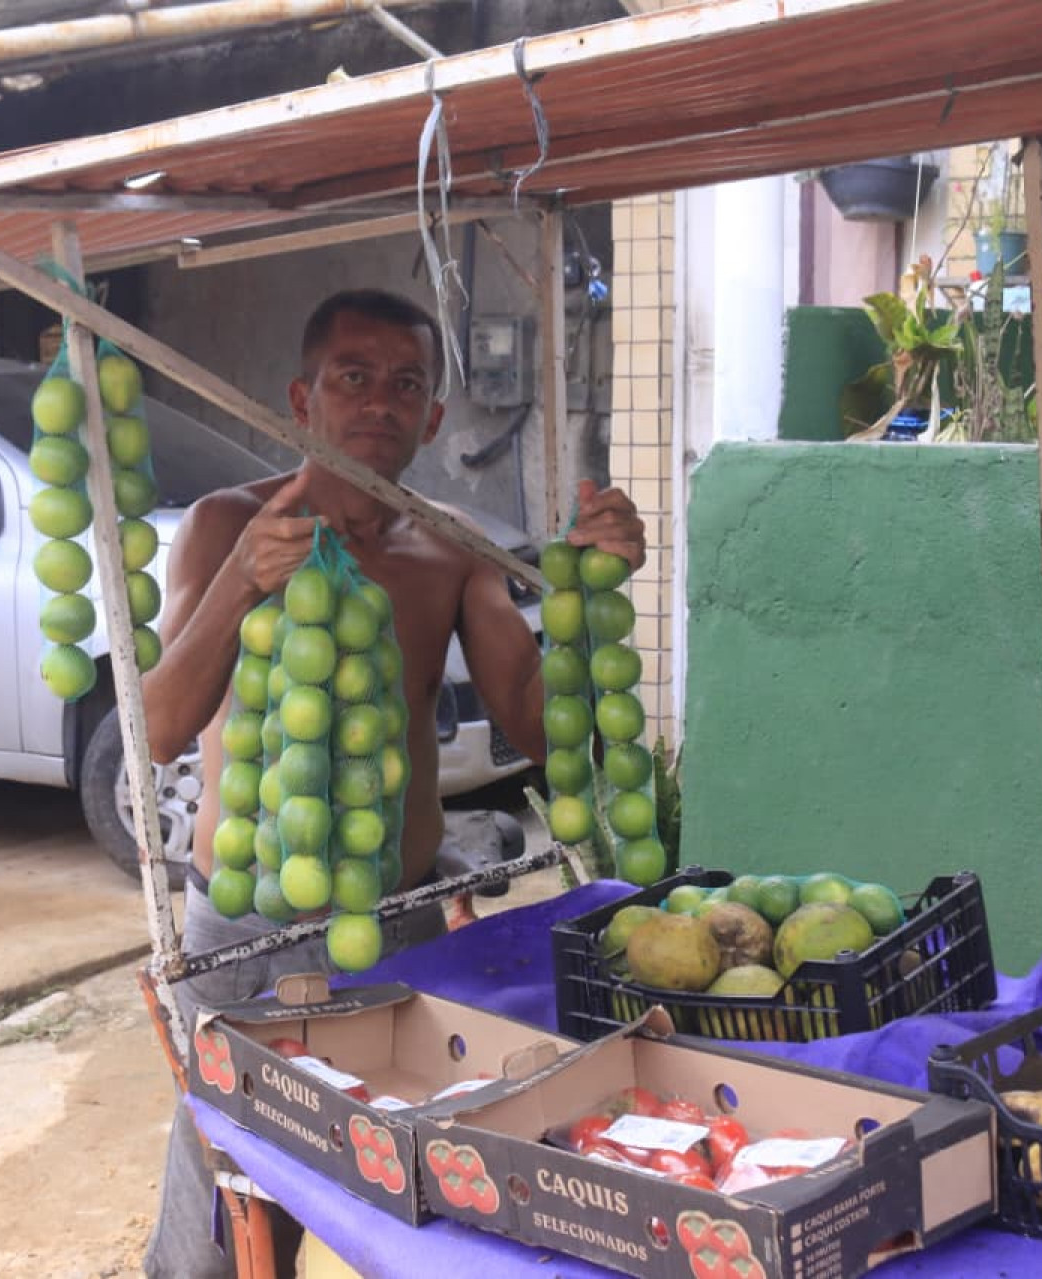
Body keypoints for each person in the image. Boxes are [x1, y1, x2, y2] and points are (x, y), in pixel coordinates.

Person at [140, 288, 645, 1278]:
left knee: (400, 1186)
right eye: (352, 377)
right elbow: (159, 728)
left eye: (405, 383)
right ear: (303, 397)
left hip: (397, 918)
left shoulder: (449, 548)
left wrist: (586, 596)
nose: (379, 401)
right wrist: (243, 579)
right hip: (244, 927)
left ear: (434, 418)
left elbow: (542, 728)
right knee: (225, 1210)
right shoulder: (225, 526)